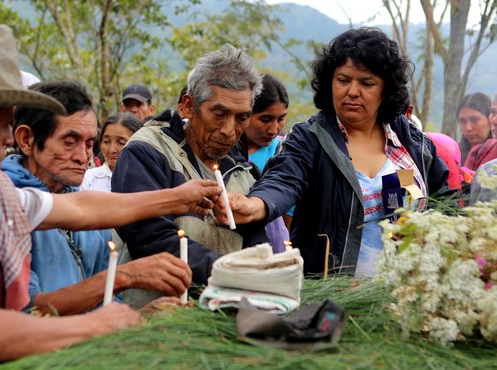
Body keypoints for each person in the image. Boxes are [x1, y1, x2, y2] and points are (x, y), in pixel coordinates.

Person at [0, 20, 222, 362]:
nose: (9, 139)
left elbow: (80, 208)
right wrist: (99, 324)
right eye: (4, 125)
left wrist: (179, 197)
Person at [219, 27, 451, 278]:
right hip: (334, 297)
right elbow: (284, 179)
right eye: (343, 80)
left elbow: (446, 197)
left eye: (367, 83)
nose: (352, 91)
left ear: (385, 90)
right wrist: (256, 205)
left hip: (405, 292)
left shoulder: (408, 139)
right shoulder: (310, 138)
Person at [3, 81, 190, 315]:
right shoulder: (3, 202)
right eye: (69, 142)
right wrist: (125, 276)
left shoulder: (91, 214)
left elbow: (107, 304)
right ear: (26, 140)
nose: (83, 156)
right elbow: (27, 310)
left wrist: (140, 316)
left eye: (90, 143)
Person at [112, 44, 268, 288]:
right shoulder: (148, 151)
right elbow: (150, 238)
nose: (229, 130)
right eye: (219, 113)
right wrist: (234, 275)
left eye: (242, 118)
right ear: (187, 105)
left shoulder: (244, 175)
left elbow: (257, 249)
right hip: (155, 317)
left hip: (228, 318)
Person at [241, 74, 291, 252]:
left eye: (281, 119)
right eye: (265, 119)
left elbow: (287, 223)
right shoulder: (225, 153)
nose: (274, 129)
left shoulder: (285, 152)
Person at [82, 112, 142, 192]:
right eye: (106, 141)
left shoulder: (148, 180)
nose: (111, 150)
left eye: (121, 143)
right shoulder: (88, 179)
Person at [457, 92, 494, 168]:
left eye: (474, 120)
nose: (468, 128)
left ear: (490, 118)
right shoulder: (454, 154)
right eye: (462, 121)